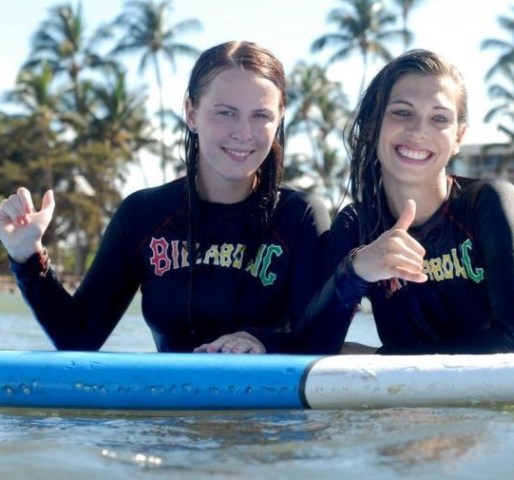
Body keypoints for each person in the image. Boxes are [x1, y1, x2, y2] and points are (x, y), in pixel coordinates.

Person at [0, 41, 331, 354]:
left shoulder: (299, 217)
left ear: (280, 118)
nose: (244, 132)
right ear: (191, 113)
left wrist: (263, 343)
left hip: (267, 412)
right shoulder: (144, 215)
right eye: (226, 112)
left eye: (261, 115)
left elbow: (320, 342)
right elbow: (78, 336)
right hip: (173, 413)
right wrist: (26, 257)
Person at [303, 49, 514, 355]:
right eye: (402, 112)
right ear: (373, 125)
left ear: (458, 138)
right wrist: (357, 270)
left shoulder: (489, 204)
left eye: (439, 118)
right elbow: (311, 345)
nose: (418, 131)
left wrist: (379, 358)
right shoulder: (356, 226)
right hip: (411, 403)